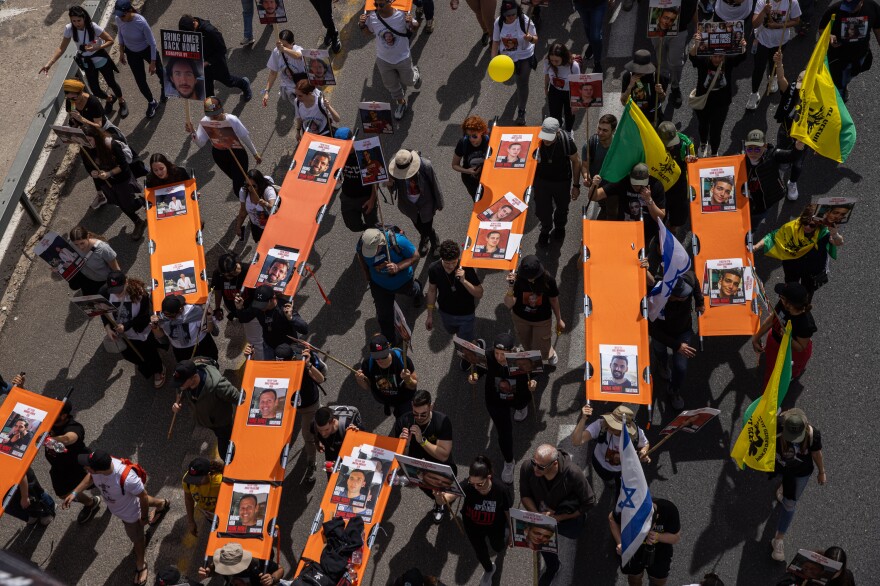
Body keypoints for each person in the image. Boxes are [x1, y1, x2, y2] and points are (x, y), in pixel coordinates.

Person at [64, 450, 169, 586]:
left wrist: (143, 518)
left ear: (98, 469)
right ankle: (162, 504)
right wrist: (75, 492)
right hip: (120, 504)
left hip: (130, 515)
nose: (85, 467)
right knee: (133, 497)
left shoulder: (127, 478)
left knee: (137, 539)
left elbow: (143, 496)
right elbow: (90, 477)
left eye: (88, 466)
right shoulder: (101, 466)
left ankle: (141, 563)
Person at [520, 444, 595, 586]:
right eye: (533, 463)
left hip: (566, 519)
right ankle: (553, 567)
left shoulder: (574, 474)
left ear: (554, 464)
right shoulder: (528, 468)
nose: (535, 469)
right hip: (543, 518)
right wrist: (538, 517)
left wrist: (559, 518)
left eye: (541, 467)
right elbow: (525, 495)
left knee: (575, 531)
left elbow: (589, 502)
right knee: (541, 543)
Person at [468, 332, 537, 483]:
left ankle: (520, 407)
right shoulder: (487, 356)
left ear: (512, 352)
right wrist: (474, 377)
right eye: (497, 353)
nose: (499, 357)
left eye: (503, 354)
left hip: (518, 396)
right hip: (495, 399)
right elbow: (479, 370)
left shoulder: (523, 359)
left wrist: (532, 384)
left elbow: (533, 374)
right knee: (504, 433)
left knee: (520, 404)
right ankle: (509, 461)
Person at [41, 6, 127, 117]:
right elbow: (62, 48)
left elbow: (110, 40)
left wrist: (97, 47)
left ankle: (121, 101)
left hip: (100, 58)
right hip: (87, 62)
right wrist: (49, 64)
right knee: (95, 89)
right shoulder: (69, 29)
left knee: (111, 83)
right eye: (74, 21)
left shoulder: (93, 27)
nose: (77, 23)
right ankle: (110, 98)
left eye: (79, 20)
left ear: (84, 18)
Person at [768, 408, 826, 561]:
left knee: (789, 504)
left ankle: (778, 539)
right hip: (780, 466)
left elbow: (816, 453)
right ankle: (784, 487)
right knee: (783, 481)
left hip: (800, 473)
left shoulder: (813, 434)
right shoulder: (777, 425)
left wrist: (822, 472)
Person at [754, 204, 845, 300]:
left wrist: (834, 233)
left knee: (807, 292)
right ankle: (787, 303)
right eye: (804, 222)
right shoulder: (792, 227)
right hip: (792, 266)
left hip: (813, 270)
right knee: (790, 288)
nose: (807, 227)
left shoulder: (823, 232)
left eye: (812, 225)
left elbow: (838, 242)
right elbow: (772, 236)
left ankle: (803, 307)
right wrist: (755, 247)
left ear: (819, 223)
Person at [392, 390, 456, 523]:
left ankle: (441, 504)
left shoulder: (442, 421)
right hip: (418, 470)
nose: (419, 418)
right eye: (416, 414)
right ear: (411, 406)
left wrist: (422, 441)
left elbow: (443, 455)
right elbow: (399, 458)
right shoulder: (403, 421)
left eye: (423, 414)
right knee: (430, 492)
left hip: (440, 469)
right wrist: (404, 444)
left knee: (440, 493)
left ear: (431, 406)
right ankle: (437, 502)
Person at [646, 272, 704, 409]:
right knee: (660, 351)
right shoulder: (654, 299)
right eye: (682, 296)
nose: (686, 296)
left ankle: (674, 390)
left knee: (681, 368)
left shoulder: (685, 281)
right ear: (671, 296)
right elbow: (652, 330)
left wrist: (699, 301)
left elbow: (694, 281)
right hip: (661, 333)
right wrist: (677, 346)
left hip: (683, 331)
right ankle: (663, 365)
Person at [81, 124, 149, 239]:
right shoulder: (84, 149)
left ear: (96, 136)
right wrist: (93, 173)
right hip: (106, 183)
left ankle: (144, 199)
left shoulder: (111, 145)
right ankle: (137, 221)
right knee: (119, 203)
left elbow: (123, 166)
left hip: (121, 179)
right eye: (85, 141)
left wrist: (109, 173)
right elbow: (88, 166)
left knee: (129, 205)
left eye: (89, 140)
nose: (88, 143)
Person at [100, 272, 166, 388]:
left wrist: (126, 325)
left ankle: (158, 370)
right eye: (113, 290)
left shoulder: (140, 294)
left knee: (150, 353)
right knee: (130, 355)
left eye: (120, 290)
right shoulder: (104, 293)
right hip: (122, 335)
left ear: (126, 282)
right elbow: (103, 312)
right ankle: (149, 366)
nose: (117, 294)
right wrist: (107, 328)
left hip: (141, 332)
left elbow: (145, 317)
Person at [356, 227, 423, 342]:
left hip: (403, 281)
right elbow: (361, 257)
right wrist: (366, 274)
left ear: (381, 244)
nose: (370, 255)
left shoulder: (399, 242)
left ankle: (418, 290)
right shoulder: (363, 244)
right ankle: (390, 343)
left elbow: (416, 256)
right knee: (384, 317)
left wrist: (398, 266)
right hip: (379, 286)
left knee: (413, 290)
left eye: (373, 251)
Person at [186, 97, 262, 198]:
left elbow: (244, 136)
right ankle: (252, 192)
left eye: (216, 114)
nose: (214, 118)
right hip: (219, 155)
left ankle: (251, 198)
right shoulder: (205, 121)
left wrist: (255, 153)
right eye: (211, 115)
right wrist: (193, 132)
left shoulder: (232, 119)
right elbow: (200, 143)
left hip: (237, 153)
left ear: (222, 110)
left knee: (237, 188)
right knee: (238, 179)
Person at [359, 0, 421, 120]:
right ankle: (401, 103)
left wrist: (412, 23)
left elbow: (414, 27)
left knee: (409, 82)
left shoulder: (402, 15)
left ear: (390, 1)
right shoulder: (372, 17)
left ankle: (416, 75)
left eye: (381, 5)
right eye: (376, 5)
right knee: (391, 85)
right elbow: (367, 33)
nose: (378, 8)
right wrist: (362, 26)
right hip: (383, 59)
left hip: (402, 57)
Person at [688, 34, 748, 157]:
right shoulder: (703, 61)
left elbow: (741, 57)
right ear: (709, 54)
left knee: (716, 130)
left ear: (724, 56)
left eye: (720, 56)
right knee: (703, 125)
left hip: (722, 103)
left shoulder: (728, 62)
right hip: (703, 100)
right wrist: (696, 44)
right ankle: (703, 143)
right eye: (714, 56)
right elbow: (692, 57)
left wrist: (743, 46)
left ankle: (714, 152)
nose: (717, 59)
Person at [44, 401, 103, 524]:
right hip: (59, 468)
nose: (50, 413)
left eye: (55, 412)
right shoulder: (49, 420)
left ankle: (117, 497)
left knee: (101, 484)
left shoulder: (75, 427)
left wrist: (48, 439)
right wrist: (21, 389)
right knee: (63, 494)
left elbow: (68, 438)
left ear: (64, 415)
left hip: (79, 466)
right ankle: (91, 503)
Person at [170, 359, 240, 458]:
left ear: (193, 377)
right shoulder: (185, 382)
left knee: (224, 452)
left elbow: (239, 398)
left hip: (222, 423)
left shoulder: (219, 386)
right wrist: (178, 402)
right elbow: (179, 390)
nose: (179, 385)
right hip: (207, 421)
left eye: (181, 383)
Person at [460, 455, 513, 586]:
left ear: (488, 477)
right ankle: (489, 569)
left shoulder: (501, 489)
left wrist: (512, 531)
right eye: (472, 483)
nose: (476, 487)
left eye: (480, 484)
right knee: (481, 553)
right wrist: (440, 497)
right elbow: (450, 495)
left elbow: (507, 510)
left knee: (498, 546)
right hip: (472, 527)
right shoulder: (468, 485)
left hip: (495, 527)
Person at [279, 343, 327, 484]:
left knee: (307, 436)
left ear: (293, 358)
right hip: (289, 405)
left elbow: (321, 379)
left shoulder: (303, 363)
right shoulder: (279, 364)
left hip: (308, 405)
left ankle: (311, 463)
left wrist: (308, 365)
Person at [570, 405, 650, 489]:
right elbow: (576, 441)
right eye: (611, 422)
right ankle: (609, 481)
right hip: (600, 463)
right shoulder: (601, 424)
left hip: (623, 469)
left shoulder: (636, 433)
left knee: (620, 484)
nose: (609, 426)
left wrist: (643, 451)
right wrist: (583, 419)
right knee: (606, 478)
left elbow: (645, 444)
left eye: (614, 426)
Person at [752, 283, 817, 384]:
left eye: (782, 297)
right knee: (772, 368)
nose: (779, 298)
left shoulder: (805, 324)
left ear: (790, 305)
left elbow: (801, 347)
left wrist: (788, 338)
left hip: (791, 353)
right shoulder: (783, 304)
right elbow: (771, 320)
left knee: (786, 373)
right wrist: (756, 338)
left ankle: (787, 380)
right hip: (775, 342)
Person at [504, 255, 564, 364]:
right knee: (526, 342)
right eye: (527, 276)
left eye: (532, 276)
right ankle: (532, 360)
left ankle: (549, 353)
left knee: (542, 344)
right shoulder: (517, 279)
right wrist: (510, 287)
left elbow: (554, 300)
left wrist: (559, 319)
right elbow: (509, 304)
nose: (529, 278)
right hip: (520, 318)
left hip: (542, 319)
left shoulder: (548, 279)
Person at [609, 497, 681, 586]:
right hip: (633, 550)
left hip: (660, 551)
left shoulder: (668, 509)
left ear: (657, 517)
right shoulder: (626, 508)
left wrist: (658, 537)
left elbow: (676, 537)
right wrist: (620, 543)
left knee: (659, 580)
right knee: (634, 577)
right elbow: (612, 518)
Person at [178, 15, 252, 101]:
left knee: (229, 81)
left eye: (191, 32)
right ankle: (213, 111)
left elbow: (222, 50)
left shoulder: (210, 31)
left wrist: (207, 62)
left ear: (194, 23)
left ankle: (244, 84)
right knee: (208, 92)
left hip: (216, 64)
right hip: (203, 67)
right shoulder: (190, 29)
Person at [742, 129, 804, 231]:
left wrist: (798, 148)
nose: (753, 153)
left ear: (765, 146)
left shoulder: (773, 155)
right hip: (746, 198)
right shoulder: (741, 160)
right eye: (749, 149)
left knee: (755, 220)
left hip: (766, 200)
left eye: (757, 149)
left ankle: (752, 231)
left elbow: (791, 156)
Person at [532, 117, 581, 246]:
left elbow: (576, 162)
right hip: (541, 181)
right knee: (542, 210)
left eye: (549, 136)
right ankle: (545, 229)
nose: (546, 140)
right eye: (544, 135)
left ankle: (560, 227)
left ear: (558, 132)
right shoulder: (536, 140)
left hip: (562, 182)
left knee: (562, 208)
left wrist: (576, 186)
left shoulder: (566, 142)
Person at [592, 163, 667, 245]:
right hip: (624, 229)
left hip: (645, 233)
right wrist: (594, 185)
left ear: (648, 177)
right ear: (630, 176)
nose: (637, 187)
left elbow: (660, 217)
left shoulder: (656, 186)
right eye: (634, 183)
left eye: (641, 183)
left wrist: (649, 200)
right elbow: (594, 197)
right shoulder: (623, 182)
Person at [820, 0, 880, 102]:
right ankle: (839, 98)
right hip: (838, 59)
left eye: (852, 6)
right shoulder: (834, 9)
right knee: (838, 84)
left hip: (860, 56)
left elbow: (878, 29)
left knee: (851, 75)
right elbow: (821, 29)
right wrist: (829, 36)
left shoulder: (872, 8)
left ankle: (844, 85)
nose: (849, 10)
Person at [114, 0, 165, 119]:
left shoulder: (140, 22)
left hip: (146, 49)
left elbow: (152, 43)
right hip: (132, 52)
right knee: (140, 80)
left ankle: (164, 87)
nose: (120, 18)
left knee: (160, 72)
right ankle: (152, 102)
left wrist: (152, 63)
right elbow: (120, 33)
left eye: (122, 15)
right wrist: (121, 52)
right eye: (118, 15)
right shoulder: (119, 19)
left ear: (129, 11)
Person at [389, 149, 445, 259]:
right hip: (408, 205)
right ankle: (425, 237)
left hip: (426, 203)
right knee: (417, 224)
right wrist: (389, 184)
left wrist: (439, 202)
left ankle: (434, 241)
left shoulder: (426, 166)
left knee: (427, 224)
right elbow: (393, 188)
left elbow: (435, 184)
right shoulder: (394, 170)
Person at [746, 0, 801, 110]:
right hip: (762, 41)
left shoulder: (792, 2)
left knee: (775, 63)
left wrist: (778, 25)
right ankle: (754, 93)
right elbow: (755, 24)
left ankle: (773, 78)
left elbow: (796, 21)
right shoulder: (762, 2)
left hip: (780, 42)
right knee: (759, 68)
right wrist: (763, 11)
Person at [426, 240, 483, 343]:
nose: (451, 266)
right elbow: (432, 291)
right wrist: (429, 315)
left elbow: (479, 293)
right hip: (445, 312)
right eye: (447, 263)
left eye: (454, 262)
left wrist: (464, 281)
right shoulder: (434, 269)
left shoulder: (466, 268)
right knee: (452, 332)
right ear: (442, 259)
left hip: (466, 314)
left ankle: (471, 349)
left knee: (465, 341)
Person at [491, 0, 537, 125]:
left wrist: (530, 38)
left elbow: (535, 39)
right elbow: (495, 41)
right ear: (503, 14)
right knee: (518, 81)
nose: (511, 17)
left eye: (513, 14)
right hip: (507, 58)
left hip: (524, 56)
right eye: (508, 15)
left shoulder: (524, 20)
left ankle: (521, 111)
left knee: (522, 83)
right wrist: (493, 60)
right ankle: (520, 91)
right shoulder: (499, 22)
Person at [771, 52, 808, 200]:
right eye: (798, 80)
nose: (798, 85)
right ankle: (779, 174)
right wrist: (779, 64)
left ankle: (792, 183)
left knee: (798, 163)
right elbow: (781, 78)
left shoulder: (817, 99)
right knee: (782, 158)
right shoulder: (791, 90)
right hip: (786, 131)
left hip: (803, 137)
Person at [651, 0, 699, 109]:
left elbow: (694, 8)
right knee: (661, 59)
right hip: (658, 28)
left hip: (680, 31)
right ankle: (662, 82)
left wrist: (697, 26)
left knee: (676, 62)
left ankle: (675, 86)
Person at [238, 285, 308, 359]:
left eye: (263, 305)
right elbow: (244, 319)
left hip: (288, 347)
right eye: (259, 304)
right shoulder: (257, 306)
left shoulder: (285, 308)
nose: (260, 308)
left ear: (272, 299)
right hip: (269, 346)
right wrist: (239, 308)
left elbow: (304, 330)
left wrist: (291, 318)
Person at [356, 333, 418, 418]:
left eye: (383, 355)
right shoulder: (367, 364)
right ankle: (389, 406)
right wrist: (360, 380)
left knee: (403, 418)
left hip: (403, 399)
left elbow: (413, 386)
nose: (380, 359)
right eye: (376, 356)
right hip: (383, 398)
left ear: (389, 348)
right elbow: (366, 386)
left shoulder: (403, 360)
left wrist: (408, 379)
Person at [151, 295, 219, 363]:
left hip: (201, 346)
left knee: (210, 367)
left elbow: (208, 329)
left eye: (170, 315)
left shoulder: (194, 313)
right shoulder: (162, 318)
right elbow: (162, 337)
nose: (167, 317)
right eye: (165, 314)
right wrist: (155, 327)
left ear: (180, 310)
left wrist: (209, 318)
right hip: (181, 352)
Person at [335, 128, 379, 232]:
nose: (342, 148)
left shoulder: (365, 153)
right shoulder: (338, 154)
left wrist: (372, 200)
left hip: (366, 197)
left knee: (373, 226)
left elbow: (376, 179)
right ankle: (366, 231)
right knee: (353, 226)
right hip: (347, 197)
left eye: (345, 144)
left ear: (352, 140)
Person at [656, 121, 696, 231]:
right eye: (668, 144)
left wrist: (690, 160)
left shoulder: (685, 143)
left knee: (679, 215)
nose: (671, 146)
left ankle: (672, 228)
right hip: (661, 183)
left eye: (673, 142)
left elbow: (692, 161)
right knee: (660, 214)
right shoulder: (652, 145)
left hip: (679, 183)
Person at [581, 114, 618, 219]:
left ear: (613, 131)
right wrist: (586, 176)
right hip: (597, 186)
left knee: (612, 212)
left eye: (605, 130)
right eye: (599, 128)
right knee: (604, 206)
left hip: (613, 187)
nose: (600, 133)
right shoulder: (590, 145)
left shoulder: (619, 147)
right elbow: (584, 166)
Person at [66, 226, 121, 295]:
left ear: (88, 237)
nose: (80, 247)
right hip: (85, 274)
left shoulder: (103, 249)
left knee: (95, 296)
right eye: (76, 244)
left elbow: (116, 269)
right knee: (73, 285)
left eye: (82, 243)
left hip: (101, 280)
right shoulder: (71, 243)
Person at [199, 542, 284, 586]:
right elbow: (213, 569)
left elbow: (280, 569)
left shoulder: (257, 562)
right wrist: (207, 572)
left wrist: (272, 578)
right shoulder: (224, 559)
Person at [621, 50, 668, 124]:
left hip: (653, 116)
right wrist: (630, 86)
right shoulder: (628, 76)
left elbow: (662, 99)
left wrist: (660, 92)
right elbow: (623, 102)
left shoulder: (657, 76)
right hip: (635, 117)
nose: (639, 72)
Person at [263, 30, 306, 108]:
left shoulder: (297, 49)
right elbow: (273, 73)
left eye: (285, 45)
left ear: (292, 43)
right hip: (288, 87)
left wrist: (284, 50)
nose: (281, 47)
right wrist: (267, 91)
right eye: (280, 44)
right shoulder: (276, 52)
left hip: (302, 85)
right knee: (297, 105)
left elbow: (298, 56)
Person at [181, 457, 223, 537]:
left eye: (198, 480)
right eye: (192, 479)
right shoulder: (187, 481)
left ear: (208, 474)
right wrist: (191, 521)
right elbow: (189, 499)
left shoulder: (220, 482)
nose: (194, 483)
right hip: (210, 515)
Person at [544, 43, 580, 134]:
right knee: (554, 114)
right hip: (554, 90)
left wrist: (576, 103)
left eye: (556, 61)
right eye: (552, 60)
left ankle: (568, 131)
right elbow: (547, 75)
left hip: (569, 92)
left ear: (563, 57)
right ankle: (558, 129)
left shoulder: (573, 65)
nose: (553, 63)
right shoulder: (547, 62)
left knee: (570, 114)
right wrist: (545, 87)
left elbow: (577, 83)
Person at [452, 116, 490, 200]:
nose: (471, 139)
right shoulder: (463, 143)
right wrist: (467, 171)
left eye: (474, 136)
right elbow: (454, 165)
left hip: (487, 177)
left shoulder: (489, 140)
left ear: (482, 132)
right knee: (478, 201)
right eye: (468, 135)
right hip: (471, 181)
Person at [236, 170, 278, 244]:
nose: (250, 188)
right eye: (247, 185)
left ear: (259, 183)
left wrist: (266, 204)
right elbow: (243, 210)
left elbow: (273, 207)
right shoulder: (244, 191)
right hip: (256, 226)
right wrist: (238, 226)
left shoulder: (268, 190)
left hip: (271, 227)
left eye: (253, 186)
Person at [574, 0, 607, 70]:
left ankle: (597, 61)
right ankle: (592, 45)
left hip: (598, 4)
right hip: (581, 4)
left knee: (595, 36)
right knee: (587, 26)